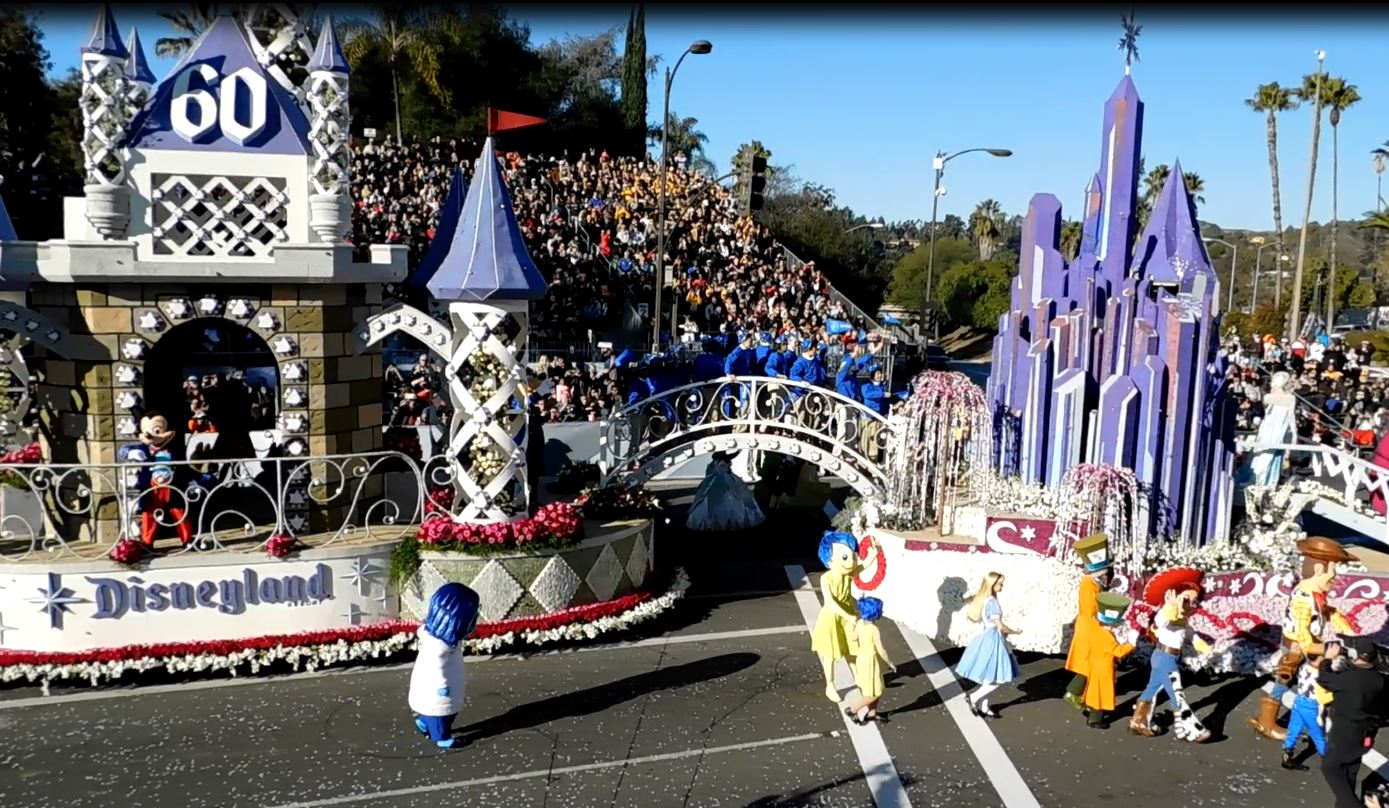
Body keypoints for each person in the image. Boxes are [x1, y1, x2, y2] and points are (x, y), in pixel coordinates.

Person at [1251, 537, 1357, 741]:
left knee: (1300, 683)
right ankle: (1268, 722)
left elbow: (1327, 611)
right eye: (1332, 569)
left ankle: (1310, 720)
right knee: (1287, 679)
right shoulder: (1303, 598)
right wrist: (1327, 650)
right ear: (1318, 569)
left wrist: (1345, 627)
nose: (1335, 575)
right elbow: (1303, 637)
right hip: (1297, 648)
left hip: (1308, 645)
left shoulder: (1314, 594)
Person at [1129, 567, 1213, 742]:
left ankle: (1138, 721)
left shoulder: (1183, 620)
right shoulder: (1166, 614)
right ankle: (1192, 730)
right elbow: (1160, 621)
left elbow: (1189, 634)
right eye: (1186, 599)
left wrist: (1201, 645)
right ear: (1173, 597)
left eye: (1193, 601)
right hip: (1165, 658)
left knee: (1151, 690)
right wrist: (1173, 607)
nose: (1189, 605)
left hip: (1166, 657)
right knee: (1177, 694)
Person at [409, 582, 480, 750]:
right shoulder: (438, 649)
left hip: (438, 690)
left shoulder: (442, 643)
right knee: (443, 714)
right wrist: (443, 689)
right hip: (438, 692)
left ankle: (424, 723)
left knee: (440, 713)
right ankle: (442, 737)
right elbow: (436, 672)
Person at [811, 531, 879, 703]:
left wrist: (872, 554)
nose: (851, 561)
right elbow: (830, 603)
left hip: (847, 614)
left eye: (853, 556)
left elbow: (862, 567)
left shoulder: (848, 573)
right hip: (831, 618)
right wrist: (848, 616)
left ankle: (858, 678)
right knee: (830, 654)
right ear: (830, 559)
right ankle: (830, 685)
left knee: (852, 648)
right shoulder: (826, 578)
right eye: (844, 556)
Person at [1318, 636, 1386, 807]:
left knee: (1330, 768)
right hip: (1366, 733)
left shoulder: (1348, 678)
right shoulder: (1380, 680)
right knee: (1350, 771)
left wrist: (1328, 659)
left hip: (1345, 731)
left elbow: (1324, 679)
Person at [956, 571, 1021, 719]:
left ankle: (984, 706)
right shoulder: (992, 602)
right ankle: (973, 697)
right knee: (997, 679)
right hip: (993, 640)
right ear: (992, 584)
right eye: (999, 583)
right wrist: (1015, 631)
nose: (1002, 586)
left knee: (990, 676)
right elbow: (1000, 626)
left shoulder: (986, 599)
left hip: (987, 637)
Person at [1063, 533, 1113, 711]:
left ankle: (1078, 693)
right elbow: (1090, 609)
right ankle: (1073, 692)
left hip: (1089, 625)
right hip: (1090, 627)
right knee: (1089, 663)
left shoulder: (1092, 583)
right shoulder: (1089, 585)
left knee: (1089, 663)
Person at [1081, 592, 1136, 729]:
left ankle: (1090, 710)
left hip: (1094, 664)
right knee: (1100, 694)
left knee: (1093, 690)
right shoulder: (1107, 637)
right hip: (1103, 668)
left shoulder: (1095, 630)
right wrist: (1131, 644)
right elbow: (1119, 651)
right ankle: (1095, 719)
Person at [844, 595, 896, 725]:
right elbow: (881, 650)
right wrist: (890, 663)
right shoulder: (874, 630)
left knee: (876, 687)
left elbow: (854, 637)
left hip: (862, 659)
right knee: (874, 693)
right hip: (870, 662)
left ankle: (872, 713)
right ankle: (852, 710)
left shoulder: (860, 623)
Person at [685, 451, 766, 532]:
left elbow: (715, 470)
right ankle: (724, 523)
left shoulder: (716, 463)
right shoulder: (721, 463)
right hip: (722, 480)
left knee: (721, 500)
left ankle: (721, 524)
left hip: (721, 480)